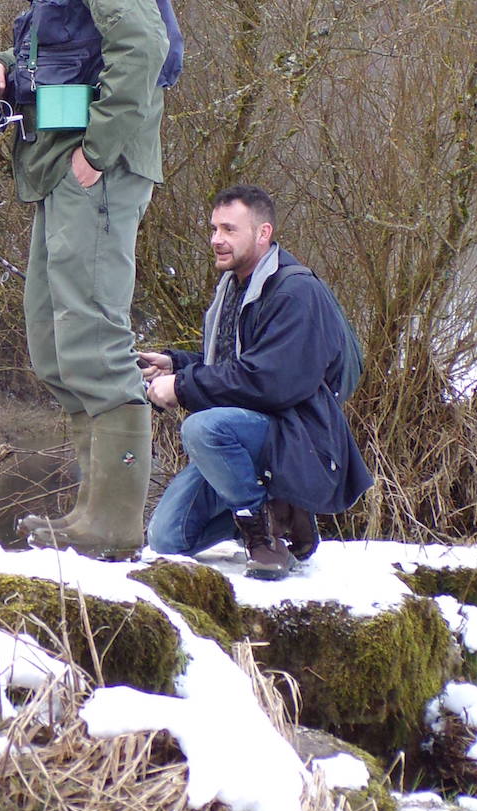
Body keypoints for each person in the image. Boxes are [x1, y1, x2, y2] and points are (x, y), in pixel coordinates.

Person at [0, 0, 182, 560]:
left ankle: (113, 526)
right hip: (57, 168)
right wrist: (4, 68)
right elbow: (68, 56)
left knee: (93, 338)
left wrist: (98, 150)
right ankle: (90, 514)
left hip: (94, 170)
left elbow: (144, 46)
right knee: (55, 345)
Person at [139, 185, 371, 578]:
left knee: (202, 428)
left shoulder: (296, 292)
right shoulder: (234, 287)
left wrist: (181, 386)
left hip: (297, 437)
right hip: (249, 433)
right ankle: (283, 512)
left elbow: (270, 382)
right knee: (167, 538)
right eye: (214, 229)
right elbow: (233, 366)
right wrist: (177, 364)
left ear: (263, 233)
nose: (216, 239)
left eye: (229, 229)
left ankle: (264, 535)